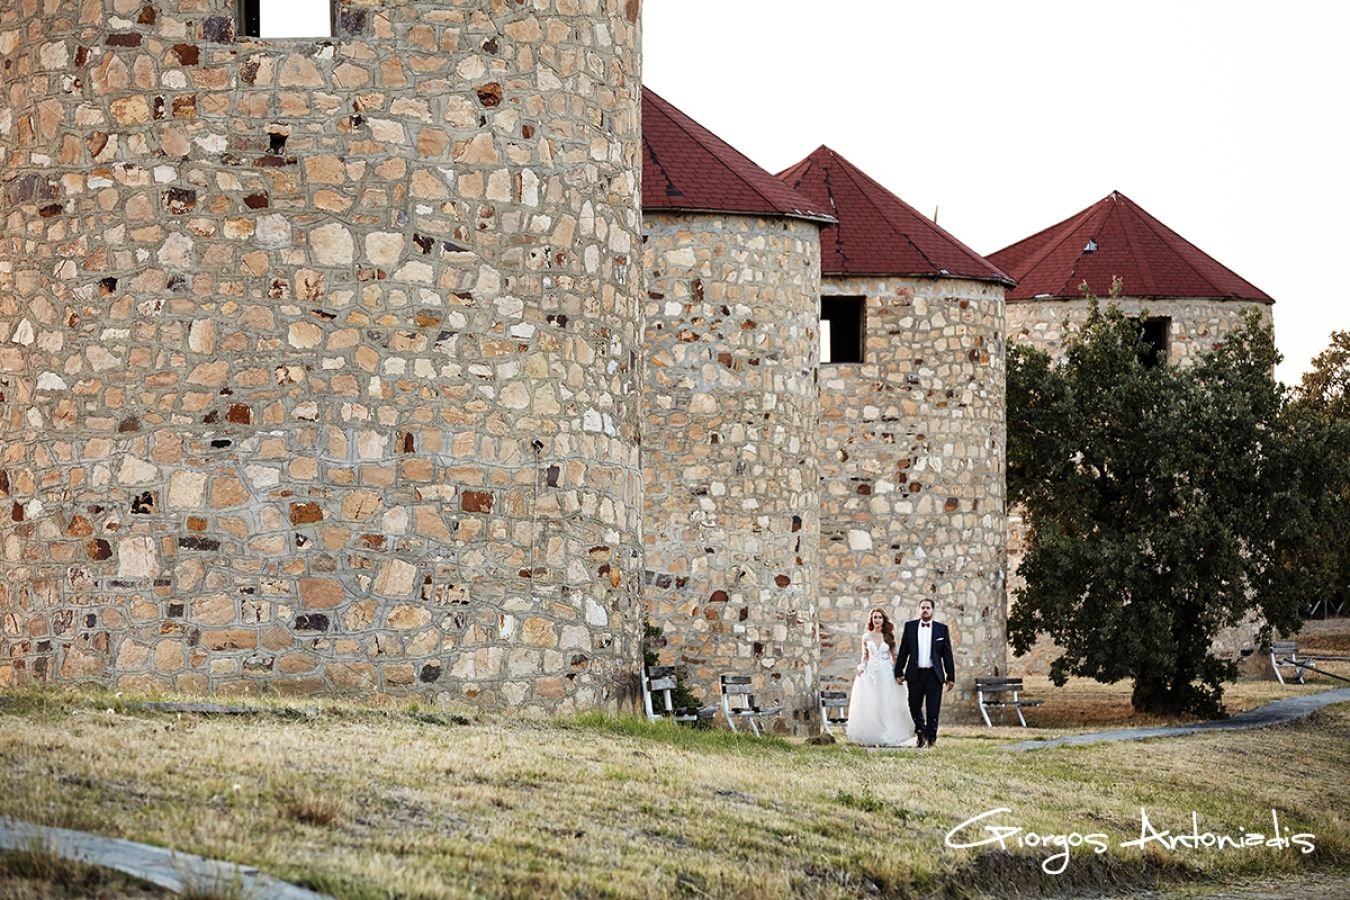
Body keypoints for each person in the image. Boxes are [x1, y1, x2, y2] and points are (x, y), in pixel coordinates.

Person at [845, 608, 917, 747]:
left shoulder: (888, 636)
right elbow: (865, 657)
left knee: (886, 702)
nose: (877, 620)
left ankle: (888, 732)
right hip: (871, 673)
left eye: (879, 617)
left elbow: (895, 657)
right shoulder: (866, 637)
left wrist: (898, 673)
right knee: (872, 703)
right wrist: (861, 667)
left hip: (886, 673)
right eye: (875, 617)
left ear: (883, 620)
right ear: (872, 620)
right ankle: (874, 734)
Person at [893, 599, 955, 748]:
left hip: (934, 675)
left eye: (928, 608)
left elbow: (947, 654)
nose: (925, 610)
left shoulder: (942, 629)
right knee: (913, 705)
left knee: (933, 708)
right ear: (919, 610)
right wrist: (898, 671)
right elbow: (903, 651)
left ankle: (931, 738)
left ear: (932, 610)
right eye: (923, 608)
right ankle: (921, 731)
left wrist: (950, 676)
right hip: (915, 674)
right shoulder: (910, 627)